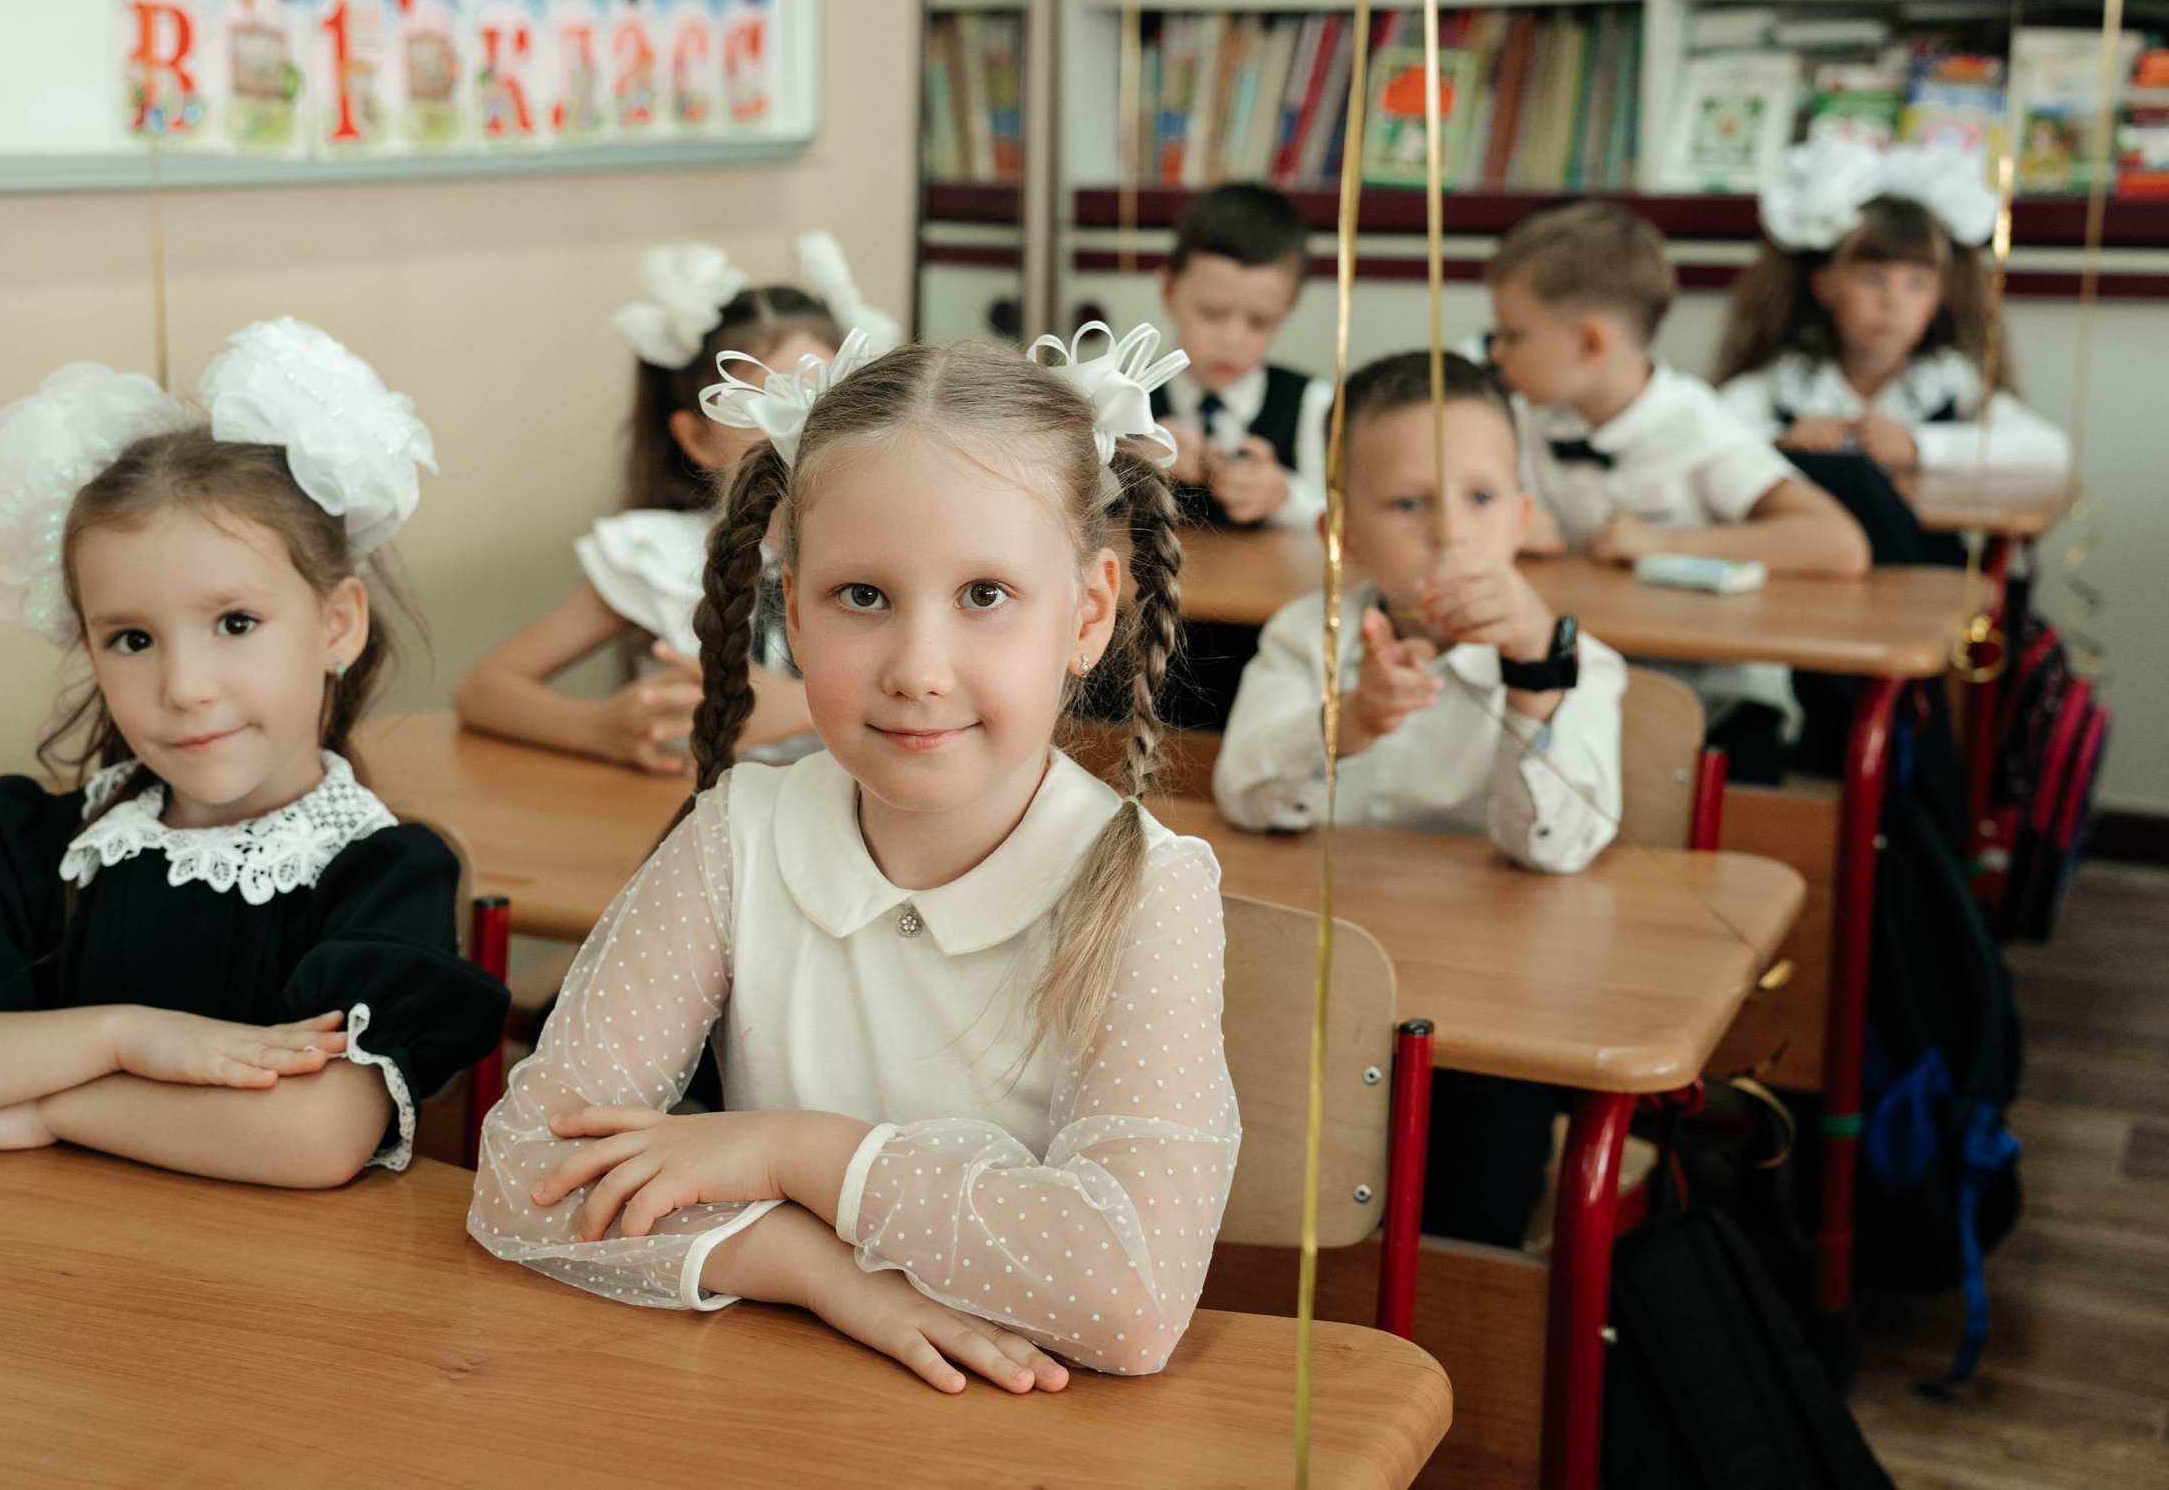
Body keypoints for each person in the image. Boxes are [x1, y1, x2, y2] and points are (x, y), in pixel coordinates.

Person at [468, 330, 1239, 1389]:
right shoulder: (735, 835)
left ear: (1089, 614)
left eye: (985, 595)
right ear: (790, 610)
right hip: (765, 1408)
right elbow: (522, 1181)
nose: (918, 671)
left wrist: (792, 1152)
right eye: (862, 598)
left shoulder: (1151, 890)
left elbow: (1127, 1299)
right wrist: (821, 1271)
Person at [0, 321, 506, 1187]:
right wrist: (123, 1036)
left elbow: (313, 1136)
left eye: (235, 623)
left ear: (336, 624)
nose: (185, 686)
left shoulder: (382, 873)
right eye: (131, 639)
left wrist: (48, 1108)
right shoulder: (36, 844)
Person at [454, 234, 895, 773]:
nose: (802, 429)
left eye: (826, 396)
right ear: (697, 438)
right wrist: (599, 729)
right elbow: (484, 689)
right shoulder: (659, 557)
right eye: (768, 404)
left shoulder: (897, 549)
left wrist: (802, 708)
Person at [1485, 201, 1869, 783]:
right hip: (1573, 685)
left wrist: (1663, 541)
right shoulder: (1522, 417)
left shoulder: (1697, 426)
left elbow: (1838, 546)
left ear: (1592, 342)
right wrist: (1499, 520)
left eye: (1512, 335)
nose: (1495, 353)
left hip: (1712, 701)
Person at [1215, 350, 1626, 875]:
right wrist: (1352, 721)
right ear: (1343, 536)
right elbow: (1243, 800)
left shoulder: (1574, 659)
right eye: (1408, 504)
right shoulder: (1303, 634)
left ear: (1521, 520)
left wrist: (1534, 671)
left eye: (1481, 496)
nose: (1451, 532)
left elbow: (1556, 849)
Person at [1718, 136, 2069, 477]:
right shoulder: (1790, 378)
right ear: (1824, 286)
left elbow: (2048, 449)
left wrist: (1921, 447)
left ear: (1940, 296)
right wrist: (1778, 440)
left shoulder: (1949, 379)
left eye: (1916, 285)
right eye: (1872, 279)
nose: (1893, 302)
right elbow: (1705, 432)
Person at [1150, 183, 1330, 530]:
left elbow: (1340, 528)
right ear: (1169, 292)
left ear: (1287, 310)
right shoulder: (1117, 400)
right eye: (1212, 314)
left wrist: (1285, 497)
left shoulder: (1312, 404)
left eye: (1260, 322)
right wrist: (1133, 464)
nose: (1231, 340)